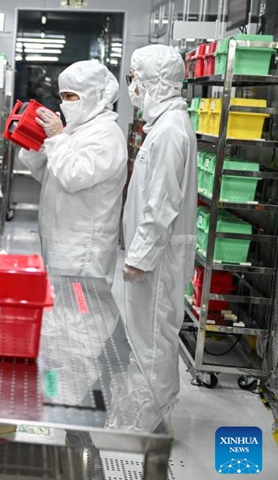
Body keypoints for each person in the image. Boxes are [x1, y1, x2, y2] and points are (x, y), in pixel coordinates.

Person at [122, 44, 197, 420]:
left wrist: (139, 257)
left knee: (152, 338)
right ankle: (147, 411)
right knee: (149, 335)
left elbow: (162, 202)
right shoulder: (164, 125)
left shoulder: (169, 131)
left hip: (159, 256)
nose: (132, 86)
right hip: (159, 252)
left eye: (135, 78)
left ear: (154, 81)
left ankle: (146, 421)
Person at [18, 61, 127, 285]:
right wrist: (37, 141)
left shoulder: (106, 135)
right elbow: (50, 175)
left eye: (72, 96)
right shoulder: (77, 129)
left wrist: (57, 137)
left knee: (80, 314)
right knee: (61, 312)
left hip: (83, 249)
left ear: (94, 95)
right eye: (63, 96)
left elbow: (72, 176)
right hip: (61, 242)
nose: (66, 103)